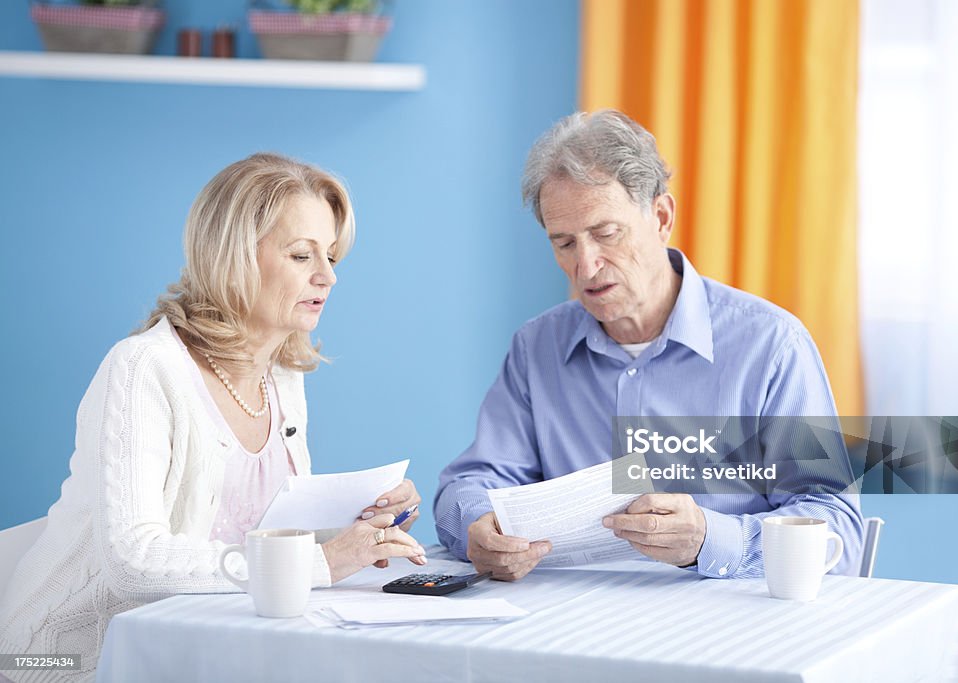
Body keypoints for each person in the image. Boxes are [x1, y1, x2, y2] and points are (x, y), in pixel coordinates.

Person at [0, 154, 425, 683]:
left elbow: (258, 537)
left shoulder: (282, 377)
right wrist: (324, 562)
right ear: (235, 257)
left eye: (332, 256)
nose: (329, 277)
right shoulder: (143, 369)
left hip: (197, 652)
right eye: (301, 255)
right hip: (65, 661)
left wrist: (361, 528)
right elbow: (134, 563)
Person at [434, 110, 864, 581]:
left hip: (730, 628)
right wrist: (476, 524)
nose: (586, 265)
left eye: (606, 234)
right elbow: (472, 482)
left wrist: (709, 538)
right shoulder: (537, 347)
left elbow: (836, 527)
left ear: (661, 217)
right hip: (569, 624)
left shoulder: (772, 345)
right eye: (564, 243)